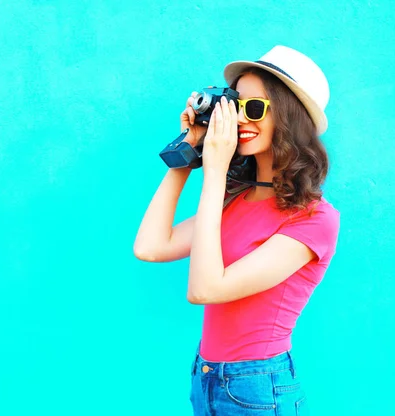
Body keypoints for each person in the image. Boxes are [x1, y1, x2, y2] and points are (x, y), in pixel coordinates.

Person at [134, 45, 340, 415]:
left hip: (257, 385)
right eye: (233, 104)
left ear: (290, 118)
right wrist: (189, 153)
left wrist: (214, 169)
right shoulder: (235, 201)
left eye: (255, 108)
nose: (240, 119)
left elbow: (205, 290)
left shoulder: (314, 219)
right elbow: (150, 246)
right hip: (206, 376)